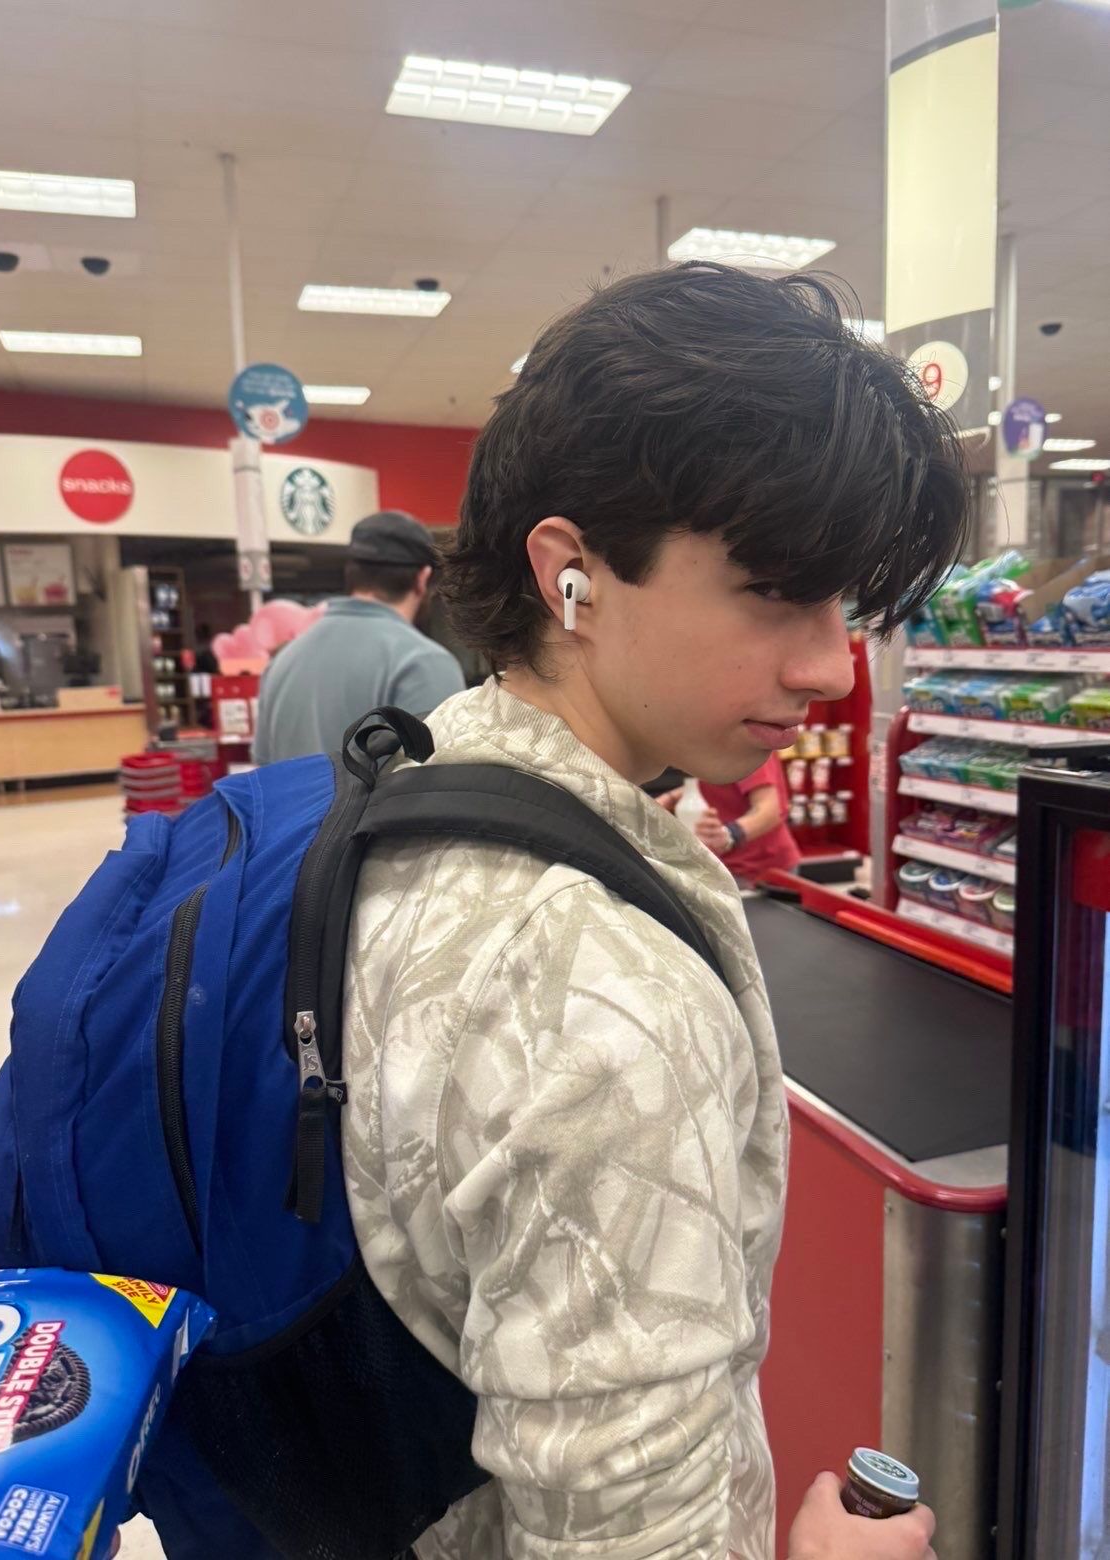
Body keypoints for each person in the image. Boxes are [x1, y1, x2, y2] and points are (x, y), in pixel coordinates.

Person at [342, 263, 964, 1559]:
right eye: (777, 589)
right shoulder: (601, 1003)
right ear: (569, 576)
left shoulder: (417, 787)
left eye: (845, 601)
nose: (830, 663)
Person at [251, 510, 465, 764]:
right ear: (423, 578)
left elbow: (263, 767)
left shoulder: (281, 662)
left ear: (351, 574)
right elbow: (438, 779)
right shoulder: (423, 663)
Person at [660, 754, 801, 882]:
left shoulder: (748, 746)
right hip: (729, 865)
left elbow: (769, 811)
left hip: (762, 870)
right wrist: (670, 797)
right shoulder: (714, 747)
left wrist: (730, 834)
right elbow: (722, 786)